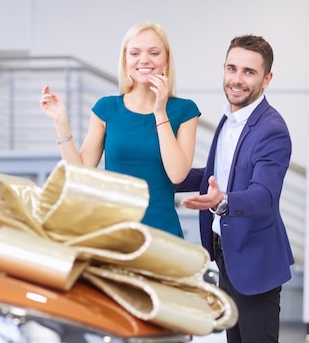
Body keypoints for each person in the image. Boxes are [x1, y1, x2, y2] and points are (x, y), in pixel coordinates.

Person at [179, 34, 296, 343]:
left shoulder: (272, 128)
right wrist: (155, 173)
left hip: (257, 263)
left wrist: (224, 202)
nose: (237, 78)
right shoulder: (228, 124)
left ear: (267, 78)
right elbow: (211, 178)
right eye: (232, 68)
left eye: (249, 71)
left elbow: (264, 198)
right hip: (227, 256)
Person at [40, 21, 200, 237]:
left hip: (163, 234)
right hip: (113, 231)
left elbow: (177, 174)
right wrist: (60, 122)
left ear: (166, 60)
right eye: (135, 53)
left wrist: (160, 112)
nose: (144, 59)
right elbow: (79, 171)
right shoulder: (106, 108)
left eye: (154, 52)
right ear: (126, 60)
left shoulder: (184, 110)